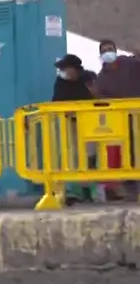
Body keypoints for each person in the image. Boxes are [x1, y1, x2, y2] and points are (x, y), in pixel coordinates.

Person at [94, 39, 140, 200]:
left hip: (137, 115)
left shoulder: (130, 64)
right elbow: (101, 97)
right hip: (119, 120)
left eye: (110, 49)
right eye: (104, 50)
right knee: (124, 153)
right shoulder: (101, 78)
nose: (108, 53)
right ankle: (126, 186)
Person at [52, 54, 101, 205]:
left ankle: (91, 191)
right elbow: (56, 102)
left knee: (91, 156)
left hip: (91, 123)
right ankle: (77, 191)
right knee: (74, 157)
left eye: (65, 68)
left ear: (75, 69)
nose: (63, 71)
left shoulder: (87, 79)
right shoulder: (60, 83)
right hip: (71, 124)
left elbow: (97, 99)